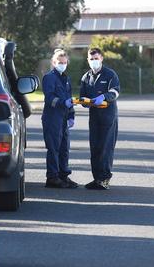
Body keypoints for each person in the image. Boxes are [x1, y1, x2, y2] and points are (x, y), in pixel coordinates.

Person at [79, 48, 120, 190]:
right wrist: (84, 102)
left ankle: (104, 179)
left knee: (105, 147)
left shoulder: (110, 74)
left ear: (101, 58)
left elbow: (115, 92)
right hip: (94, 117)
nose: (94, 61)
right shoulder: (86, 77)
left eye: (96, 58)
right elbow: (83, 97)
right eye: (91, 59)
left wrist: (104, 97)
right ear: (88, 60)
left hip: (108, 116)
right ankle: (97, 178)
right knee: (95, 147)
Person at [41, 49, 78, 189]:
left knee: (64, 148)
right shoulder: (49, 77)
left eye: (64, 62)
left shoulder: (65, 78)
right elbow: (49, 98)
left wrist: (71, 115)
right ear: (54, 63)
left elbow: (69, 99)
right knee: (54, 148)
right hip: (52, 118)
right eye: (59, 62)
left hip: (63, 118)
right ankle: (52, 177)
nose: (62, 64)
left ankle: (63, 175)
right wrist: (63, 103)